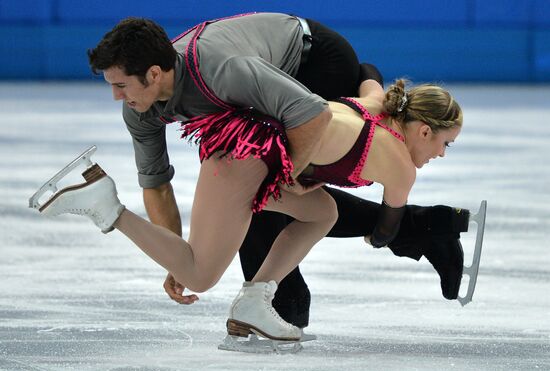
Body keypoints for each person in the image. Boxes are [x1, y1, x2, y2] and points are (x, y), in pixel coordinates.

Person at [80, 13, 468, 332]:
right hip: (249, 141)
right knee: (228, 243)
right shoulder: (141, 108)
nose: (117, 97)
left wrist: (288, 175)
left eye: (120, 85)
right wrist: (174, 258)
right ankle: (272, 298)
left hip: (312, 59)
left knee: (310, 207)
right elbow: (157, 184)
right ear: (422, 129)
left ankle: (265, 298)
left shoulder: (222, 71)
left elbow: (314, 110)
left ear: (153, 73)